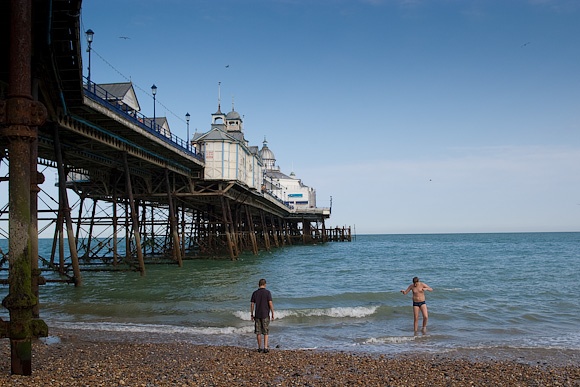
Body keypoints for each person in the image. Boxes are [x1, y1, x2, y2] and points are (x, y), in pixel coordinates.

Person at [250, 278, 274, 353]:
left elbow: (252, 304)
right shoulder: (267, 293)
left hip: (257, 314)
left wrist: (251, 314)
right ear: (265, 284)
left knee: (258, 332)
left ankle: (259, 347)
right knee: (265, 331)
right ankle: (265, 347)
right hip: (265, 314)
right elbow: (270, 303)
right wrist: (273, 313)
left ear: (259, 285)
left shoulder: (255, 293)